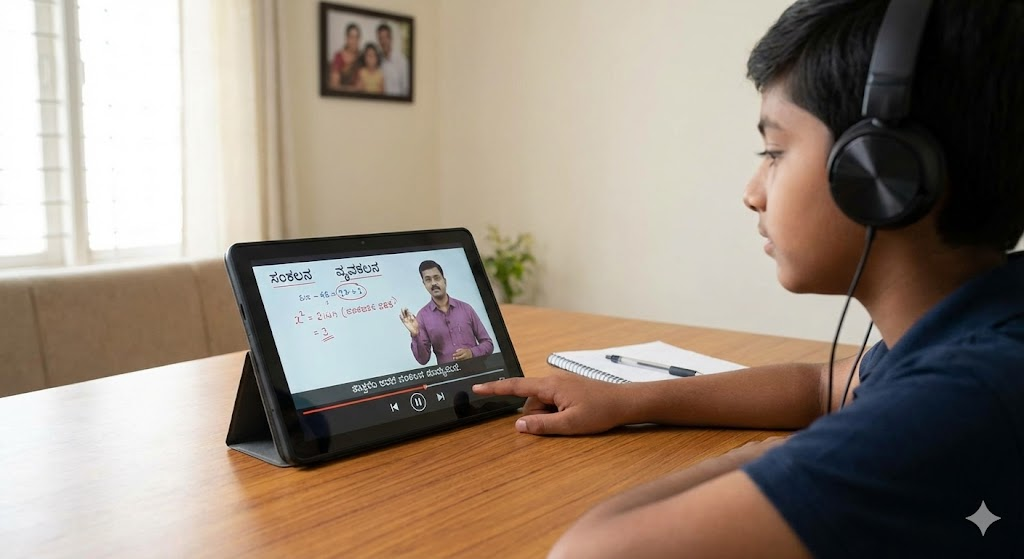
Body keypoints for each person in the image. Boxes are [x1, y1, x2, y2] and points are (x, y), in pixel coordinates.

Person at [473, 0, 1024, 556]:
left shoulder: (962, 399)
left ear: (884, 172)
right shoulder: (985, 320)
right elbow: (820, 388)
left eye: (774, 152)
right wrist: (628, 401)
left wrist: (767, 459)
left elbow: (591, 552)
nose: (752, 192)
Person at [400, 260, 494, 365]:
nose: (433, 283)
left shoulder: (466, 308)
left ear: (444, 281)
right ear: (424, 284)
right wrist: (415, 335)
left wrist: (471, 353)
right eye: (428, 280)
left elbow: (488, 344)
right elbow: (423, 360)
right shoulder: (422, 316)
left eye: (437, 278)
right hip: (449, 374)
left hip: (478, 370)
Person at [376, 23, 410, 96]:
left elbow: (406, 89)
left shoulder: (402, 61)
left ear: (391, 39)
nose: (383, 41)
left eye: (386, 37)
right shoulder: (377, 61)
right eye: (380, 38)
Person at [329, 23, 362, 91]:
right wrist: (354, 89)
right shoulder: (339, 57)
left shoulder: (361, 57)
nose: (354, 41)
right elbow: (334, 85)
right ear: (346, 38)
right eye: (351, 37)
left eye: (357, 37)